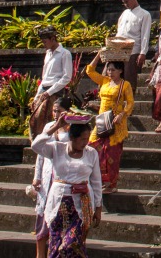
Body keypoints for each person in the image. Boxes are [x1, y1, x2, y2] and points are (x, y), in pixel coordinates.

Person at [31, 118, 102, 258]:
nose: (85, 142)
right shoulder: (57, 148)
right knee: (56, 245)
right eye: (82, 139)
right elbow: (36, 145)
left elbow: (96, 182)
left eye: (87, 138)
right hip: (58, 203)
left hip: (82, 203)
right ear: (72, 138)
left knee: (71, 244)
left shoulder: (91, 153)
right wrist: (55, 126)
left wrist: (98, 208)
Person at [86, 55, 133, 194]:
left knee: (112, 154)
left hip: (116, 122)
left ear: (120, 71)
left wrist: (122, 114)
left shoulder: (125, 85)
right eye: (108, 69)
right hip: (101, 121)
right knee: (92, 146)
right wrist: (98, 56)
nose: (109, 72)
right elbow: (90, 71)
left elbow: (130, 102)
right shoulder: (105, 81)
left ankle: (112, 184)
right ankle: (97, 180)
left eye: (112, 70)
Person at [31, 98, 71, 258]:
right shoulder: (49, 127)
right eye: (54, 111)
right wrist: (37, 176)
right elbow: (39, 152)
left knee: (60, 224)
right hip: (47, 177)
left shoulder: (72, 129)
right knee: (42, 225)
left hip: (63, 179)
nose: (56, 114)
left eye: (59, 111)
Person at [30, 26, 73, 136]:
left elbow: (67, 77)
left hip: (55, 91)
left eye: (45, 41)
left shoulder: (65, 53)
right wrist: (37, 96)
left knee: (50, 119)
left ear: (53, 39)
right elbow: (45, 77)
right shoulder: (48, 53)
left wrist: (49, 92)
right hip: (44, 90)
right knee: (36, 119)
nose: (44, 44)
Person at [113, 0, 151, 90]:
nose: (125, 4)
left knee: (129, 80)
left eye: (127, 1)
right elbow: (119, 30)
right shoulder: (124, 13)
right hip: (118, 49)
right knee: (114, 78)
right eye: (124, 2)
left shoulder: (145, 14)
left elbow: (145, 35)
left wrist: (143, 52)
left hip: (133, 50)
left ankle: (129, 103)